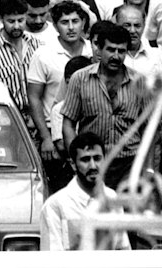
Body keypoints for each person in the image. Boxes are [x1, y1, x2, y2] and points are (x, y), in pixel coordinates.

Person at [62, 22, 149, 188]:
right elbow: (68, 123)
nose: (116, 56)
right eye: (111, 50)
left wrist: (148, 168)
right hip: (93, 162)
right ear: (99, 49)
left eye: (121, 51)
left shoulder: (140, 82)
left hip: (130, 163)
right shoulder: (80, 79)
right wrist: (76, 160)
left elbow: (150, 129)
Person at [27, 1, 91, 187]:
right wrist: (46, 138)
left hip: (89, 129)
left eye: (75, 21)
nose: (71, 27)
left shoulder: (92, 50)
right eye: (64, 22)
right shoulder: (43, 54)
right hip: (55, 135)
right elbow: (34, 97)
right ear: (55, 25)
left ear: (83, 23)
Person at [40, 132, 130, 251]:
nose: (93, 166)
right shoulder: (55, 205)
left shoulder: (112, 198)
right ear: (73, 164)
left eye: (97, 159)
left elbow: (122, 249)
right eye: (85, 160)